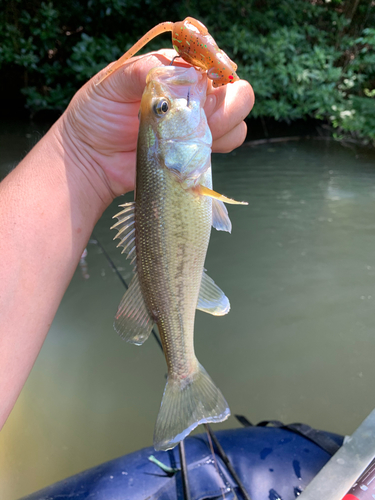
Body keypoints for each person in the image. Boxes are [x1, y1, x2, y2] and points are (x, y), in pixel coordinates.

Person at [0, 49, 254, 430]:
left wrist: (82, 149)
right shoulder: (184, 171)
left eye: (161, 108)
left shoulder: (178, 166)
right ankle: (184, 374)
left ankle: (185, 377)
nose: (166, 103)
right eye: (163, 110)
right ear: (163, 146)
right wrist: (81, 148)